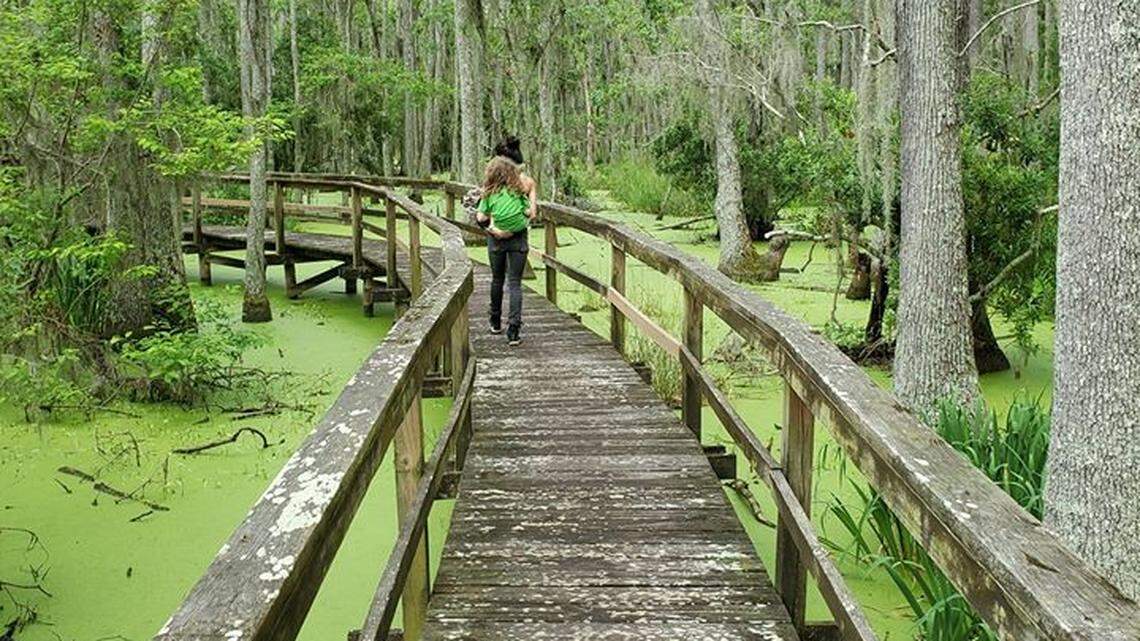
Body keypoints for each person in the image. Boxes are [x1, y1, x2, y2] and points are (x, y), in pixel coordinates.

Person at [476, 154, 536, 345]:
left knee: (497, 279)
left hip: (496, 241)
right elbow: (529, 213)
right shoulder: (519, 192)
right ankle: (514, 331)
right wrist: (515, 225)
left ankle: (495, 321)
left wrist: (495, 229)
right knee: (515, 283)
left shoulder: (489, 193)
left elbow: (480, 218)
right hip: (518, 240)